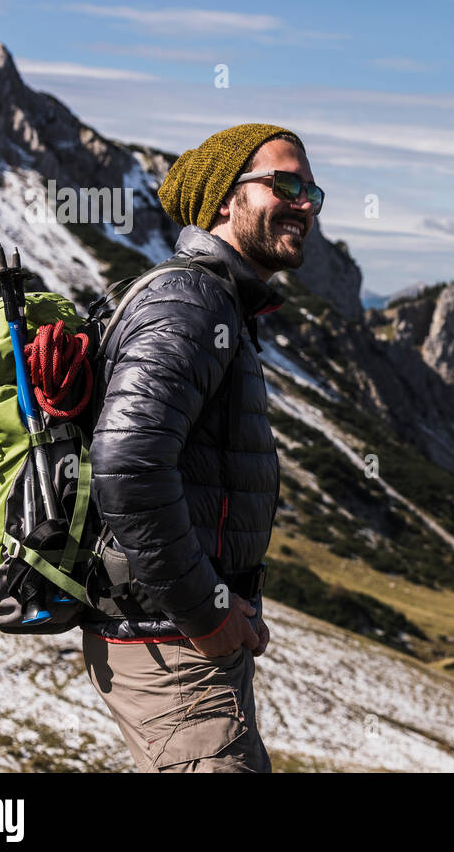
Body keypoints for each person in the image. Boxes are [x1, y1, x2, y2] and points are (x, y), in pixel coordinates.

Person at [81, 123, 321, 772]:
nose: (306, 203)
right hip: (173, 644)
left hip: (181, 639)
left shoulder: (218, 303)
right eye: (287, 183)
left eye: (313, 191)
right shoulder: (193, 302)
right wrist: (207, 610)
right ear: (224, 198)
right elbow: (126, 464)